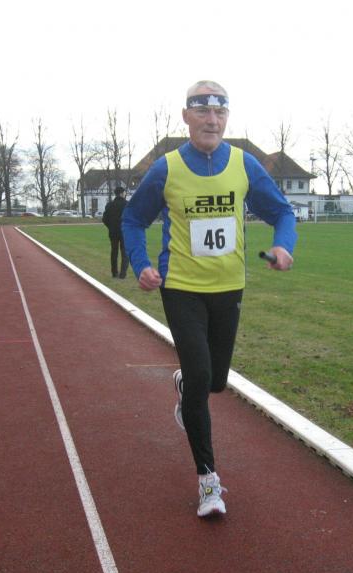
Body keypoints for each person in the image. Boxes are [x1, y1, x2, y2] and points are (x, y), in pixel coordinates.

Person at [122, 80, 296, 518]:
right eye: (202, 112)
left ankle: (187, 386)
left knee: (215, 381)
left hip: (229, 287)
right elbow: (133, 218)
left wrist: (283, 245)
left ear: (227, 118)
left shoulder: (243, 164)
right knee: (201, 376)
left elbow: (281, 211)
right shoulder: (165, 168)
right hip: (181, 287)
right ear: (186, 117)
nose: (212, 121)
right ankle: (208, 482)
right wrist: (141, 263)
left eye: (220, 113)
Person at [102, 186, 129, 278]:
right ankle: (123, 274)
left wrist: (110, 227)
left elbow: (104, 219)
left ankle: (114, 273)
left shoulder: (110, 205)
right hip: (124, 231)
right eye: (124, 192)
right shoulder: (127, 204)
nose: (125, 194)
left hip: (113, 231)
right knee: (124, 253)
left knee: (114, 252)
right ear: (121, 193)